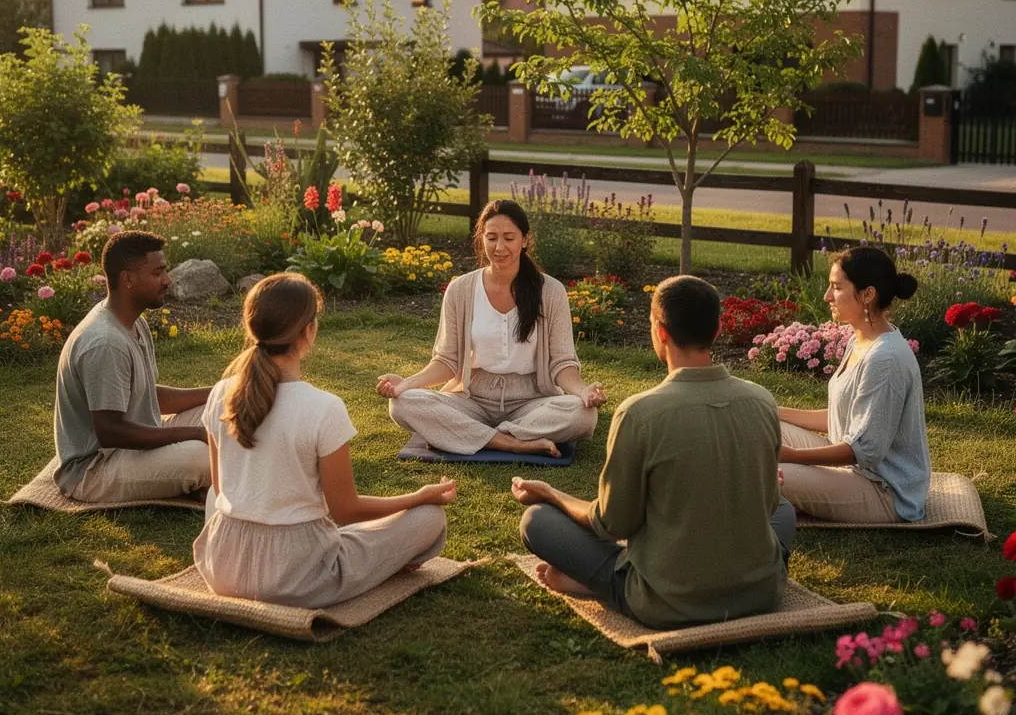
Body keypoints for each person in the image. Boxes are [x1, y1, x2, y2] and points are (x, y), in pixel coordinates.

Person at [513, 275, 795, 629]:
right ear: (718, 328)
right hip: (761, 592)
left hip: (668, 601)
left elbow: (611, 523)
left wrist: (552, 494)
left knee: (537, 521)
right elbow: (768, 504)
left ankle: (600, 584)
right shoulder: (762, 400)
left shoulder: (639, 413)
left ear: (660, 333)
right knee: (783, 508)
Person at [194, 273, 455, 607]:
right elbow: (346, 511)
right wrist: (417, 497)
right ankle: (388, 557)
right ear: (309, 332)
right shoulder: (323, 407)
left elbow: (220, 486)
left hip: (222, 565)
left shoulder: (220, 393)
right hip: (295, 577)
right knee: (429, 517)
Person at [377, 199, 604, 457]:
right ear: (481, 239)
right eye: (491, 238)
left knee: (583, 415)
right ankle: (513, 442)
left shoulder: (551, 292)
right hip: (471, 400)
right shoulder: (460, 290)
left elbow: (562, 363)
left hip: (532, 401)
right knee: (402, 404)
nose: (499, 247)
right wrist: (406, 383)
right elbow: (447, 360)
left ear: (525, 239)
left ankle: (470, 434)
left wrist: (582, 390)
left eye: (509, 238)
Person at [53, 231, 212, 502]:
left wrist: (217, 392)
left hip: (134, 445)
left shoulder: (134, 322)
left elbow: (149, 395)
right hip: (94, 469)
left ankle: (202, 479)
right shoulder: (105, 342)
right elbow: (110, 432)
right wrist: (195, 434)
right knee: (203, 456)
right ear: (128, 279)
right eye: (157, 273)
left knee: (223, 407)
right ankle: (207, 479)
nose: (167, 280)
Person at [778, 246, 930, 523]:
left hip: (883, 491)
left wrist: (791, 456)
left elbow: (865, 451)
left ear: (867, 294)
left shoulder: (885, 359)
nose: (827, 297)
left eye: (836, 287)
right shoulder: (861, 339)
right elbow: (847, 418)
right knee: (768, 429)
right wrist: (776, 412)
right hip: (853, 470)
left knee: (767, 475)